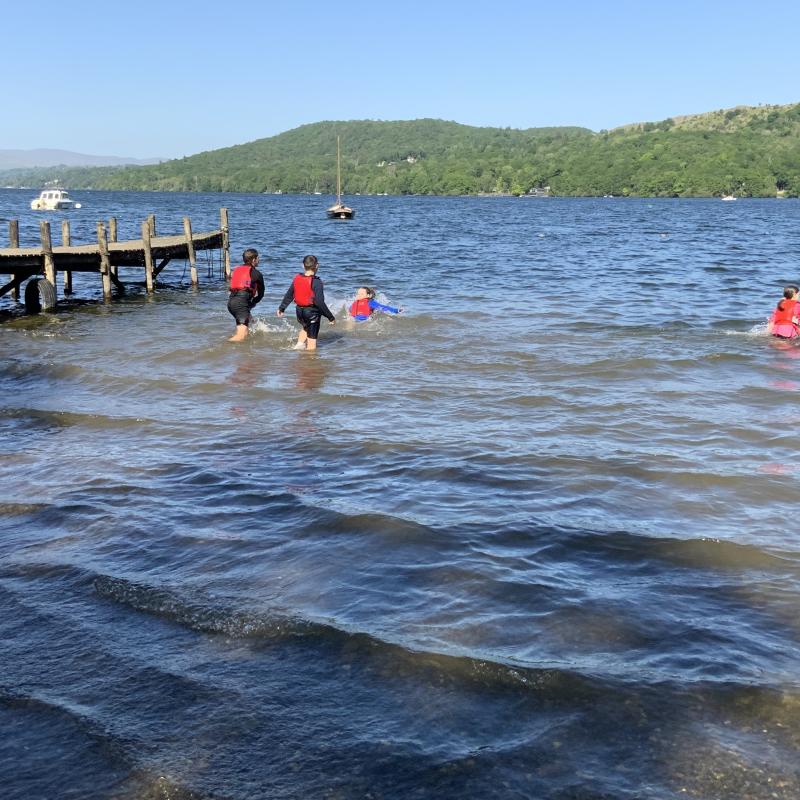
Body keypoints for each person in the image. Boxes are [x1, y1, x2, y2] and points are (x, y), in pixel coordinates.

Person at [277, 255, 335, 350]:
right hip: (312, 313)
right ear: (317, 265)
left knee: (305, 327)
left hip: (299, 311)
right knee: (312, 343)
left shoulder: (297, 278)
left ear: (303, 265)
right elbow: (320, 302)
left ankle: (298, 346)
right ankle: (310, 358)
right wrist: (330, 317)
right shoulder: (317, 282)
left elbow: (290, 294)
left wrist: (282, 308)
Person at [227, 248, 265, 342]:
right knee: (241, 336)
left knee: (252, 324)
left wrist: (249, 304)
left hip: (231, 303)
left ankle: (243, 350)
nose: (259, 260)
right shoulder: (257, 274)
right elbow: (261, 294)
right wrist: (254, 301)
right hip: (241, 304)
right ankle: (222, 347)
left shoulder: (236, 270)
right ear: (254, 260)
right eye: (258, 258)